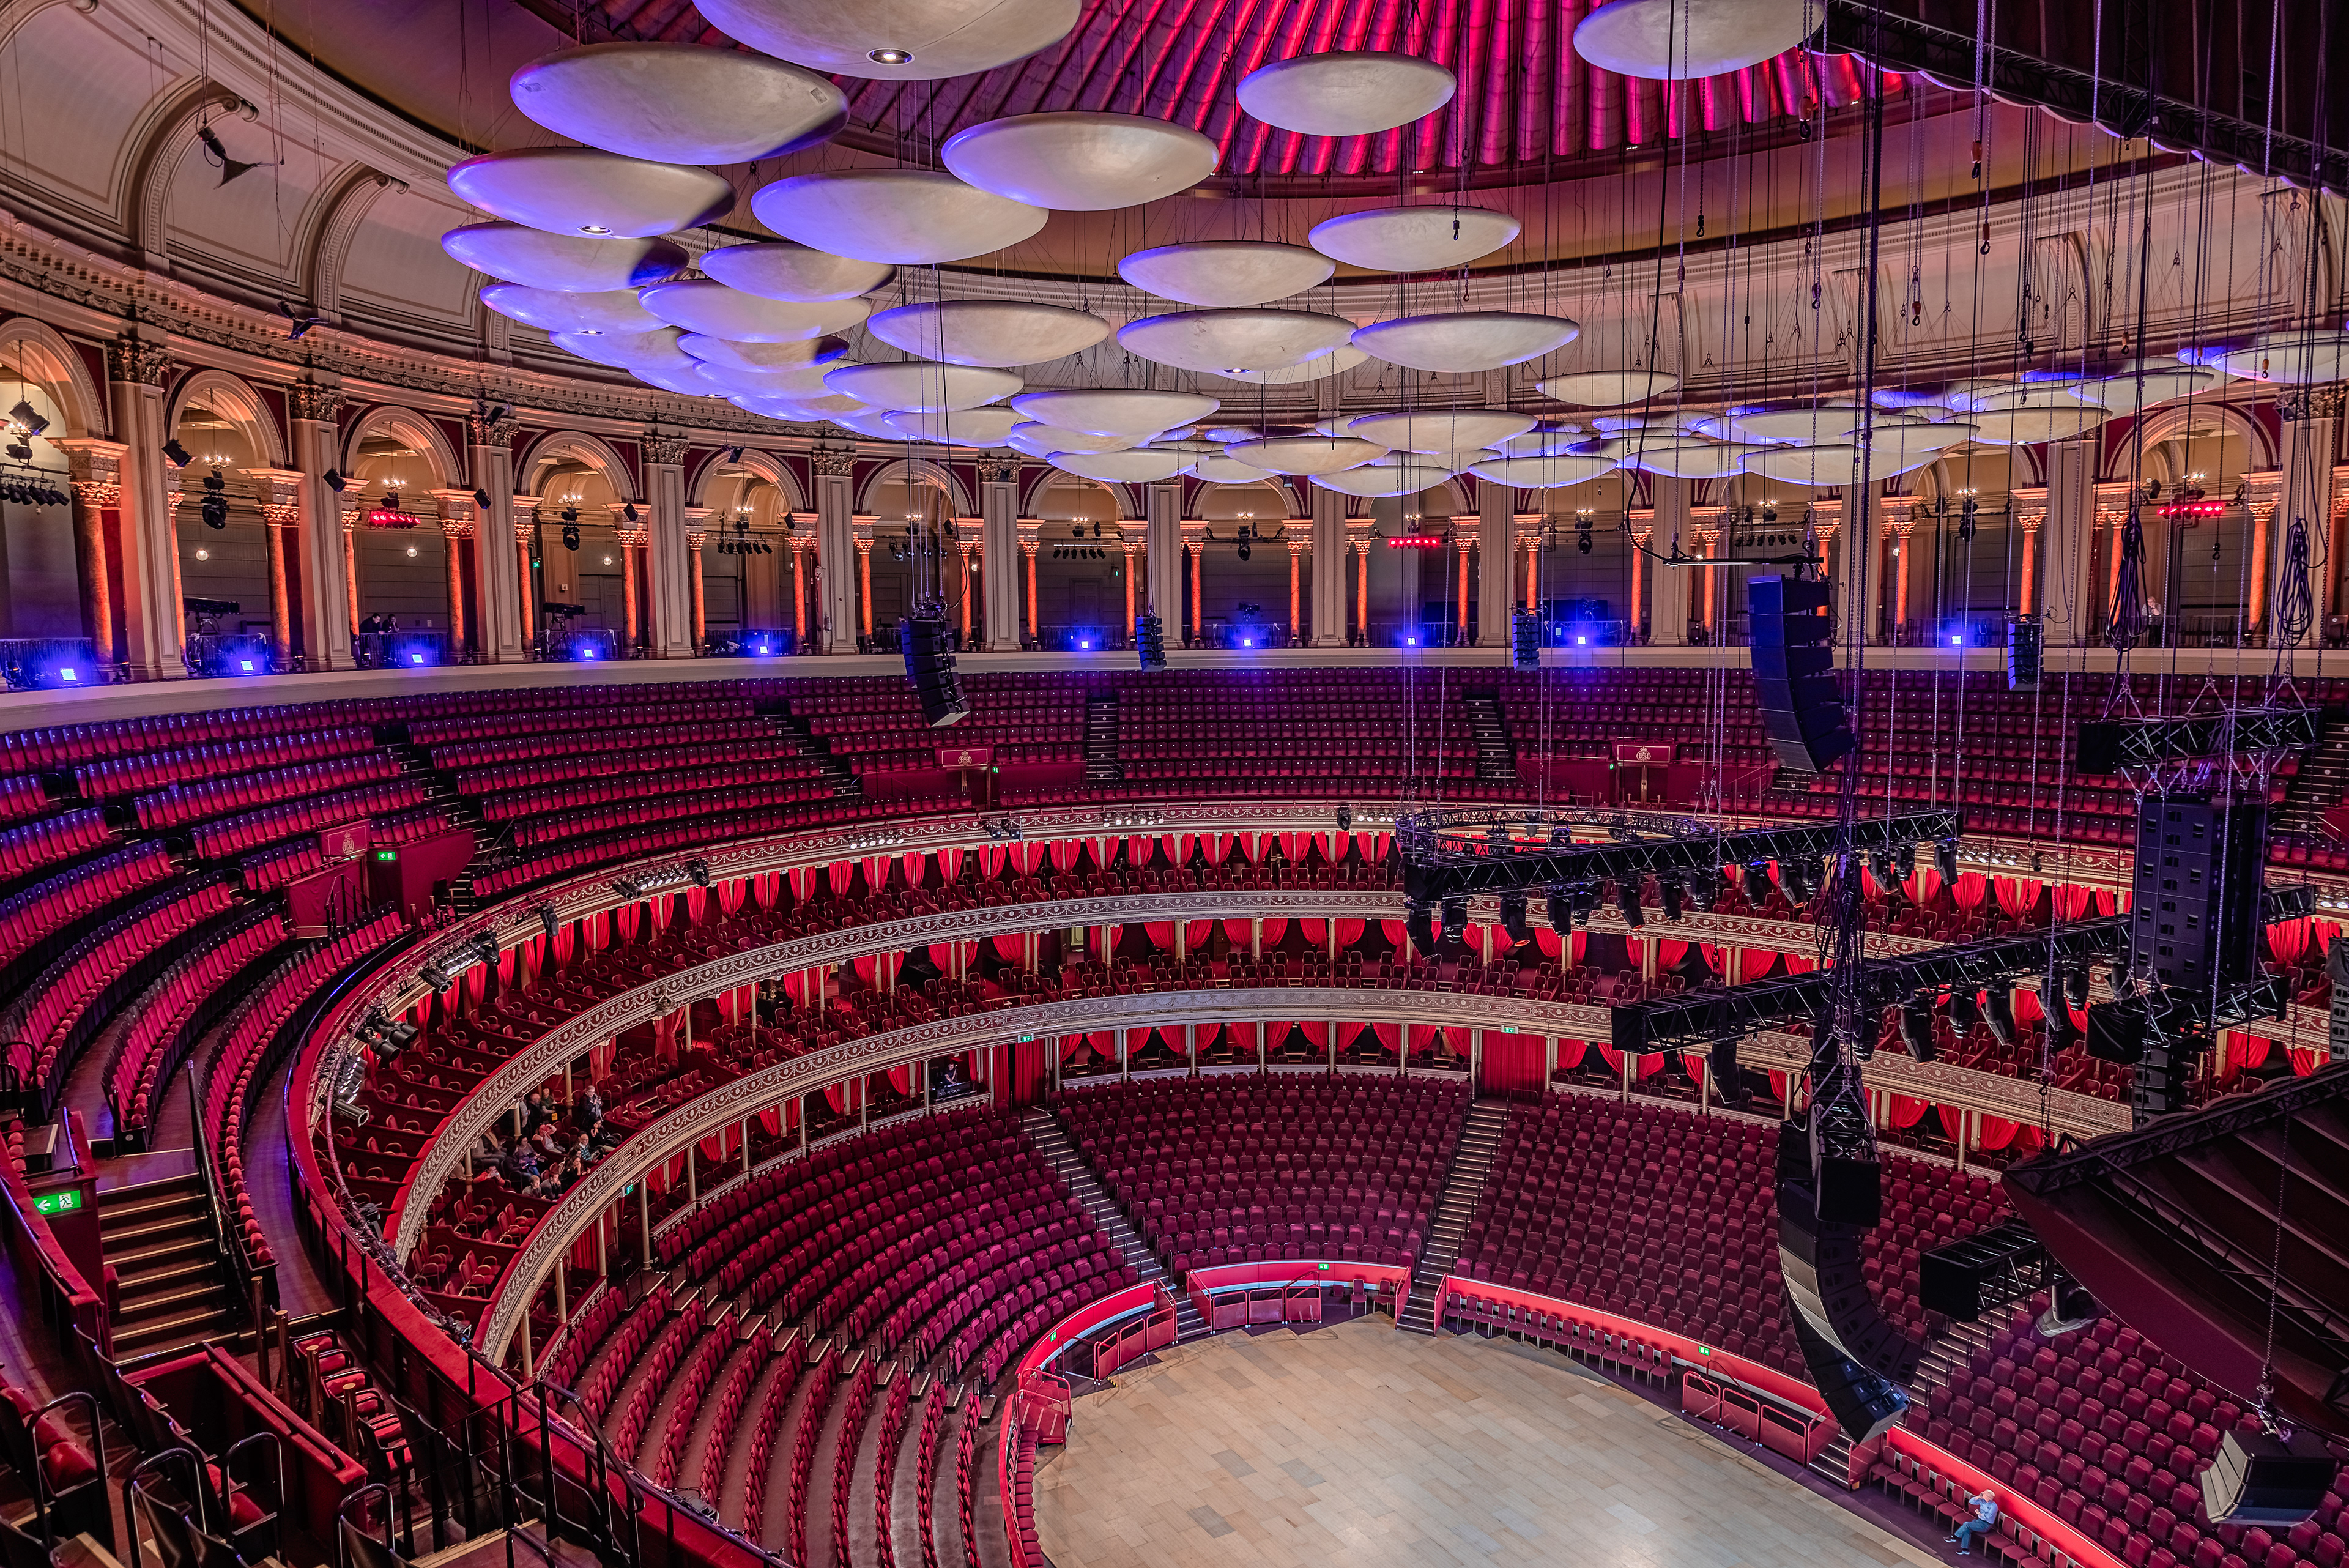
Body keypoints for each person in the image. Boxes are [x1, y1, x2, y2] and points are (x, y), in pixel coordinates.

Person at [1949, 1488, 1998, 1555]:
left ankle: (1954, 1537)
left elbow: (1988, 1516)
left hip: (1986, 1525)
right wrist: (1978, 1497)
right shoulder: (1982, 1501)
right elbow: (1971, 1502)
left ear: (1988, 1497)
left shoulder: (1994, 1506)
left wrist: (1979, 1514)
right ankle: (1965, 1549)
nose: (1982, 1493)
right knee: (1966, 1530)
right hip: (1979, 1521)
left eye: (1984, 1493)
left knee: (1966, 1524)